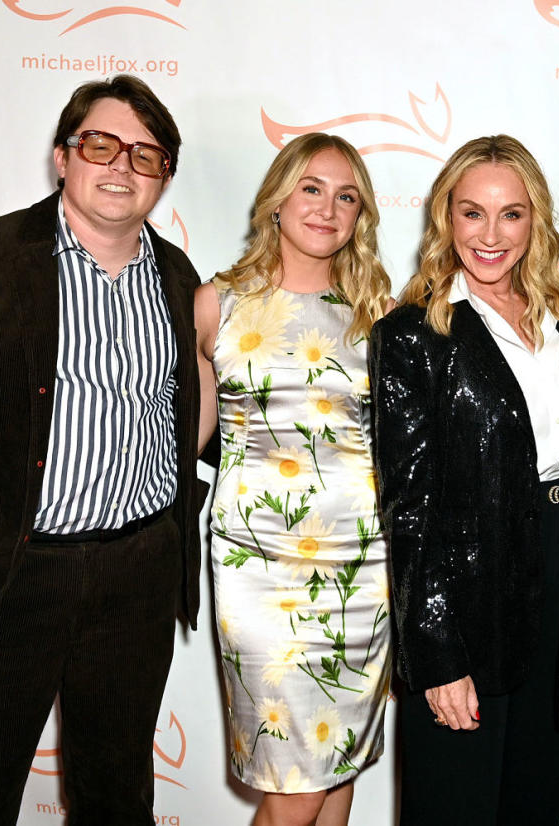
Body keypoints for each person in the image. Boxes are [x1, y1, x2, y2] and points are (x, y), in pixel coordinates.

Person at [0, 75, 205, 825]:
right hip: (7, 576)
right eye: (101, 145)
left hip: (135, 575)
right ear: (62, 156)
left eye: (146, 156)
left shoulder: (180, 278)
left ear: (165, 177)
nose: (121, 166)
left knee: (117, 798)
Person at [370, 134, 559, 825]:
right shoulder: (414, 334)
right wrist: (434, 650)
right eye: (472, 213)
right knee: (455, 801)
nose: (491, 235)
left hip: (557, 582)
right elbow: (408, 505)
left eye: (511, 214)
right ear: (446, 219)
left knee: (533, 796)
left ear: (536, 220)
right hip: (467, 591)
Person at [195, 132, 392, 826]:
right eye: (312, 188)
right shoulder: (216, 305)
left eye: (347, 197)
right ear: (278, 198)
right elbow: (187, 441)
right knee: (294, 785)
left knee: (337, 772)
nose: (328, 208)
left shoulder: (378, 319)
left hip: (361, 571)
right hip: (257, 569)